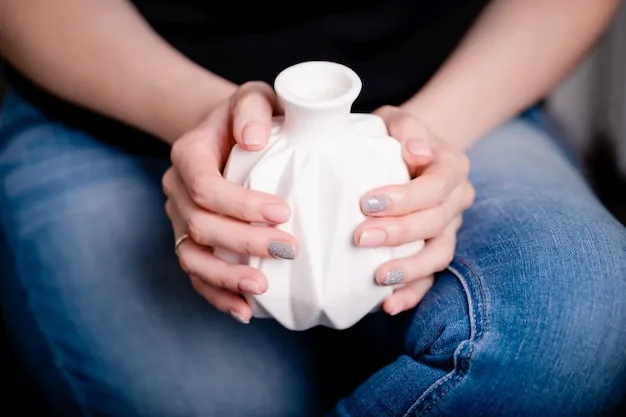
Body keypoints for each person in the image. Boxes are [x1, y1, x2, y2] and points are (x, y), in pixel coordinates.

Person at [0, 0, 625, 415]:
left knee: (576, 313)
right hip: (115, 102)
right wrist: (201, 118)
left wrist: (425, 139)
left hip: (458, 97)